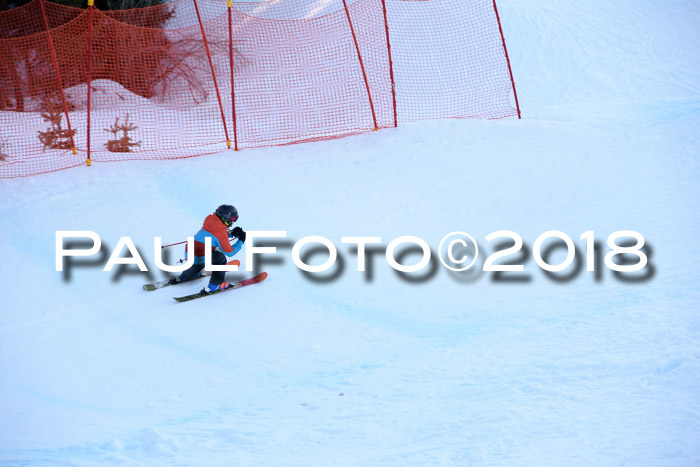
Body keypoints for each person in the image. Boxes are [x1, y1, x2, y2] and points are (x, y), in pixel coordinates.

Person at [170, 204, 247, 294]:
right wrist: (241, 240)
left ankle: (184, 277)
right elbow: (229, 252)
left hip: (190, 252)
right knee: (219, 258)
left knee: (199, 263)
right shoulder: (220, 232)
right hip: (200, 254)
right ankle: (216, 285)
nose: (234, 222)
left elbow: (214, 234)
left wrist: (231, 233)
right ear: (226, 218)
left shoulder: (210, 220)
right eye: (233, 219)